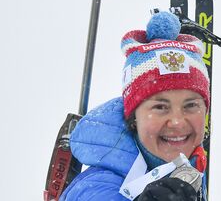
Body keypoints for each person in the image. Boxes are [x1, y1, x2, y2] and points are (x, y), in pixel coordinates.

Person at [61, 11, 210, 201]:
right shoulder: (95, 187)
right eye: (160, 107)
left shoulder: (185, 167)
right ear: (133, 117)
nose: (177, 122)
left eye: (190, 105)